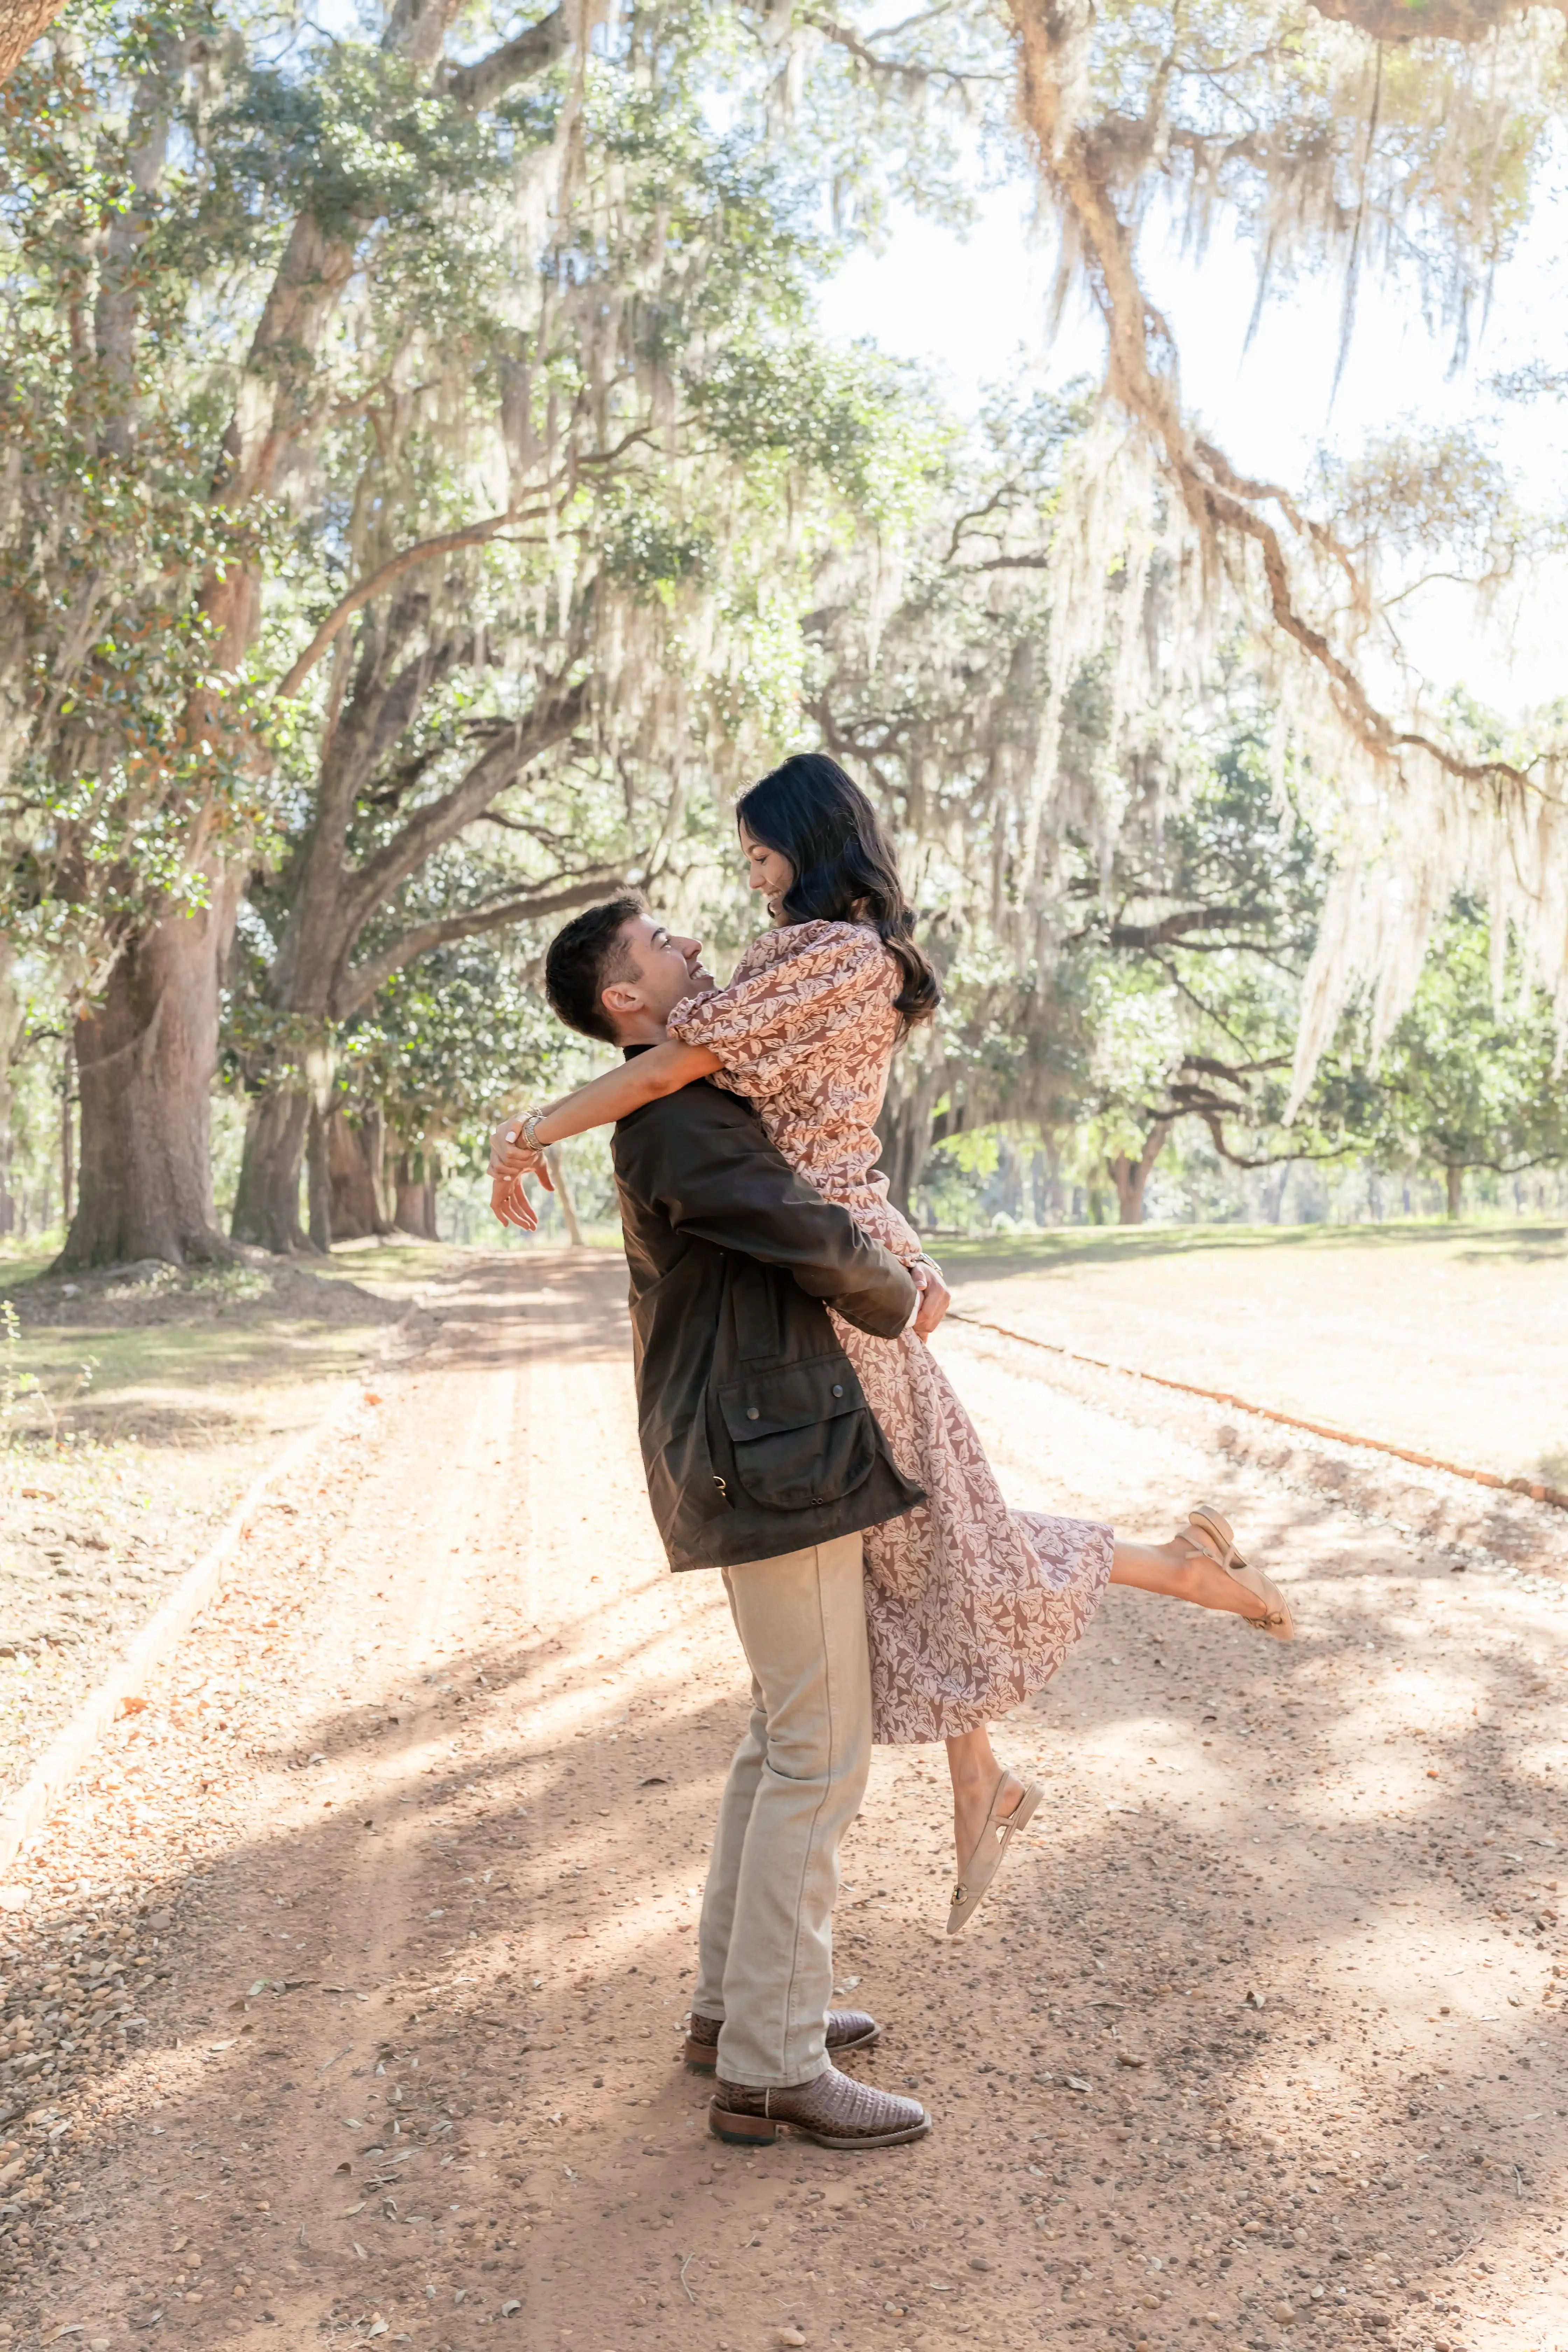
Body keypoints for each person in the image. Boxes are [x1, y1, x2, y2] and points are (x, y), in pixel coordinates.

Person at [496, 756, 1295, 1938]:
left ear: (810, 847)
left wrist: (527, 1133)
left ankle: (1163, 1583)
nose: (745, 893)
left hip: (836, 1280)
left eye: (763, 858)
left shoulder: (832, 957)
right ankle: (992, 1771)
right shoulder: (813, 954)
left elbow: (675, 1067)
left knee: (920, 1534)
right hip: (836, 1259)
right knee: (912, 1538)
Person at [540, 902, 933, 2150]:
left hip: (759, 1443)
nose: (694, 947)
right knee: (822, 1753)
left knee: (783, 1739)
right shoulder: (673, 1117)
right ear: (626, 999)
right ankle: (773, 2059)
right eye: (661, 943)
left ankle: (734, 2012)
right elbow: (794, 1226)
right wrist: (901, 1294)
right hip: (772, 1451)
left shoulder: (672, 1102)